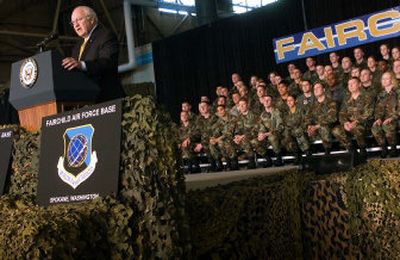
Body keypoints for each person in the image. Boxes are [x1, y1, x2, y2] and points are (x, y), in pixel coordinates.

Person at [62, 6, 124, 102]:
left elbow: (107, 63)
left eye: (79, 20)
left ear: (92, 19)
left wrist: (82, 65)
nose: (76, 25)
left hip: (107, 99)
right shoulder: (77, 46)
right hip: (86, 101)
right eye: (73, 22)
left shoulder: (105, 35)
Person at [332, 77, 374, 161]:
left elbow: (368, 113)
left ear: (359, 84)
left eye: (353, 83)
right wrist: (345, 123)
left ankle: (362, 149)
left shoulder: (367, 96)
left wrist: (355, 122)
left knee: (356, 127)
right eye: (349, 84)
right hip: (349, 125)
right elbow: (341, 113)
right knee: (335, 130)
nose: (350, 85)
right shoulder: (347, 99)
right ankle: (352, 150)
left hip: (364, 125)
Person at [371, 72, 400, 158]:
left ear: (392, 80)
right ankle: (384, 148)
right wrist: (378, 118)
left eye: (386, 78)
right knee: (375, 127)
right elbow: (378, 109)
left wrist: (392, 118)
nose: (384, 80)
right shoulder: (381, 94)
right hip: (385, 119)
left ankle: (393, 148)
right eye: (383, 78)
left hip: (397, 118)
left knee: (387, 125)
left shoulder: (398, 91)